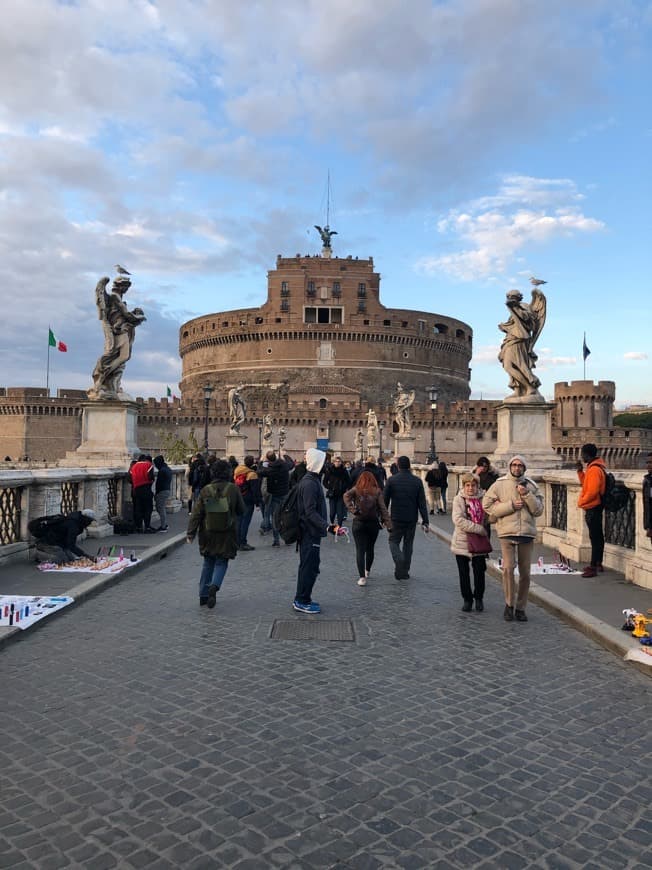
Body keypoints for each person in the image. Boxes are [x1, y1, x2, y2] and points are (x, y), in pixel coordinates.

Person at [483, 455, 544, 622]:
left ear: (524, 468)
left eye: (520, 465)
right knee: (508, 569)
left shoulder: (531, 486)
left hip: (526, 533)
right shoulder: (499, 484)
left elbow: (538, 511)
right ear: (510, 467)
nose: (517, 468)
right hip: (506, 532)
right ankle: (509, 604)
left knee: (525, 573)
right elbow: (486, 505)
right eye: (514, 465)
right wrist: (510, 506)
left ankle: (521, 607)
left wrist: (526, 495)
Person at [186, 458, 244, 608]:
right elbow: (241, 510)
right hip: (227, 533)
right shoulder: (233, 489)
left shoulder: (206, 490)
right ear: (228, 473)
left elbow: (196, 514)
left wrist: (190, 533)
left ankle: (203, 595)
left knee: (208, 562)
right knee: (221, 561)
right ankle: (215, 585)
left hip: (207, 533)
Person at [89, 275, 146, 399]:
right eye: (125, 286)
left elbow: (124, 315)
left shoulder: (118, 298)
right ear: (120, 285)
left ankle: (110, 383)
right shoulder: (115, 297)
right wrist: (139, 318)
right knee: (121, 355)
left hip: (122, 331)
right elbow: (125, 313)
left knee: (124, 357)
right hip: (117, 332)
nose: (126, 289)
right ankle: (103, 376)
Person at [294, 448, 330, 613]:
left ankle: (304, 598)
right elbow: (310, 512)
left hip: (312, 532)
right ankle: (301, 600)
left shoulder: (312, 481)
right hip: (309, 532)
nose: (326, 466)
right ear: (318, 464)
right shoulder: (309, 483)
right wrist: (327, 526)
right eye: (324, 463)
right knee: (309, 566)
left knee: (312, 566)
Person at [383, 455, 429, 579]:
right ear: (409, 466)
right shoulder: (417, 481)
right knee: (408, 545)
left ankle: (399, 560)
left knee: (393, 541)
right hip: (411, 518)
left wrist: (383, 518)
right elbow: (422, 503)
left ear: (398, 466)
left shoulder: (391, 480)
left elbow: (384, 501)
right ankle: (404, 571)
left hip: (396, 518)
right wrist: (425, 520)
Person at [343, 471, 391, 587]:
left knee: (360, 550)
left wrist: (353, 510)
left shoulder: (356, 489)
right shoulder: (377, 491)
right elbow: (383, 508)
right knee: (370, 548)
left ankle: (362, 578)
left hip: (359, 522)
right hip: (372, 523)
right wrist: (388, 523)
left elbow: (345, 496)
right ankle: (367, 570)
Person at [497, 288, 546, 399]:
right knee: (509, 365)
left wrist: (514, 307)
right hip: (511, 339)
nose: (509, 299)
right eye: (508, 297)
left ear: (517, 298)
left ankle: (530, 387)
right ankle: (518, 390)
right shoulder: (514, 308)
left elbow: (527, 319)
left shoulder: (524, 306)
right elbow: (515, 325)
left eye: (511, 297)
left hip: (519, 340)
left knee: (515, 365)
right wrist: (504, 326)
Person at [451, 474, 490, 612]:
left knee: (479, 572)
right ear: (463, 486)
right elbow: (458, 520)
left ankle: (479, 598)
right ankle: (467, 599)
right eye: (467, 485)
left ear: (477, 486)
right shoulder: (458, 499)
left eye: (473, 485)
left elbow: (490, 516)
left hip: (479, 543)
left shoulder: (484, 499)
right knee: (464, 573)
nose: (470, 488)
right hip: (462, 541)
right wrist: (479, 529)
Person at [576, 443, 607, 578]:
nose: (581, 456)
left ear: (588, 454)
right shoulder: (593, 468)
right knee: (597, 536)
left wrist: (581, 502)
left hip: (593, 507)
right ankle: (598, 563)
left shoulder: (594, 470)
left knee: (595, 538)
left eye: (582, 454)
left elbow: (593, 491)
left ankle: (593, 566)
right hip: (595, 506)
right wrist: (580, 472)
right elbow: (587, 484)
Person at [31, 510, 96, 564]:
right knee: (61, 561)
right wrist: (86, 555)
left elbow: (68, 543)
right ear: (86, 519)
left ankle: (44, 551)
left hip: (60, 543)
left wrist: (81, 555)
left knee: (71, 560)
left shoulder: (76, 522)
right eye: (90, 521)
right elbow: (71, 545)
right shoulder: (73, 525)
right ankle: (36, 554)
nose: (90, 523)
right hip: (48, 542)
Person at [257, 450, 294, 547]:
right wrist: (285, 455)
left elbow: (259, 472)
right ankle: (287, 539)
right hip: (285, 494)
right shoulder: (285, 466)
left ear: (268, 460)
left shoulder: (270, 469)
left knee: (274, 518)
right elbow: (291, 464)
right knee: (285, 517)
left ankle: (276, 540)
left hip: (275, 495)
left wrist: (261, 461)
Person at [232, 455, 261, 551]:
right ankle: (243, 542)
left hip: (238, 498)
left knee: (239, 521)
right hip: (248, 500)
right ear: (252, 463)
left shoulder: (237, 471)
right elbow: (255, 490)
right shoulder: (252, 474)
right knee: (245, 522)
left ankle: (236, 542)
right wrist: (257, 503)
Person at [323, 455, 351, 527]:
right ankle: (332, 523)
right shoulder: (329, 470)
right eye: (336, 461)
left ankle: (339, 526)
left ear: (341, 462)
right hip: (332, 494)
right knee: (332, 512)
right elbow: (324, 482)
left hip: (341, 495)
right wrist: (330, 487)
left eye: (339, 462)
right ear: (334, 462)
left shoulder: (344, 471)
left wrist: (343, 488)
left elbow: (348, 482)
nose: (338, 463)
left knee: (340, 512)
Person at [130, 454, 155, 533]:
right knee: (148, 508)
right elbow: (151, 477)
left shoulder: (133, 467)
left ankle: (139, 527)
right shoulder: (149, 465)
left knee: (138, 509)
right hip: (146, 488)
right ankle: (147, 527)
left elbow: (129, 478)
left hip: (136, 490)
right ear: (145, 460)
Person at [153, 454, 172, 532]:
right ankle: (164, 524)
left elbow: (159, 483)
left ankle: (163, 526)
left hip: (162, 491)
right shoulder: (168, 469)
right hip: (167, 490)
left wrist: (156, 493)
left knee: (160, 508)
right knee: (161, 508)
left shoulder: (162, 471)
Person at [643, 453, 652, 540]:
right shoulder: (647, 480)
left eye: (651, 462)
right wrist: (648, 526)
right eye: (647, 462)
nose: (648, 465)